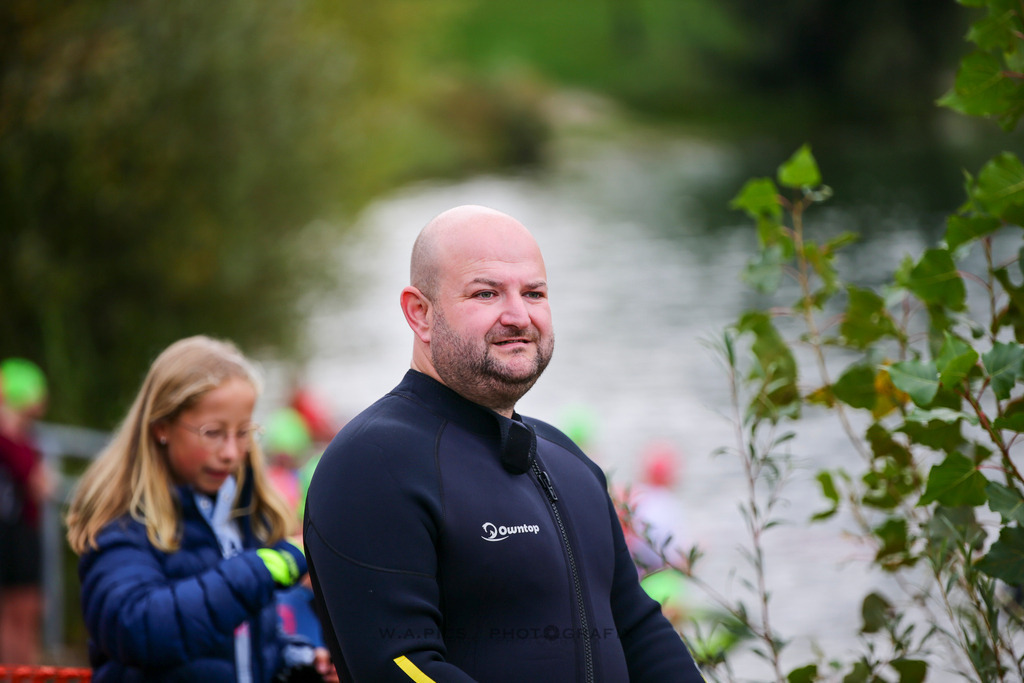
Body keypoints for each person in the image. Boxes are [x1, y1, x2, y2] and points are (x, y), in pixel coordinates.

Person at [304, 205, 705, 682]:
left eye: (534, 293)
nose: (518, 315)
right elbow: (400, 663)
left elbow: (638, 631)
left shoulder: (567, 462)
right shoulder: (374, 462)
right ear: (420, 313)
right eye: (486, 292)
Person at [65, 335, 336, 682]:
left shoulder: (241, 515)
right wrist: (263, 568)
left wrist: (294, 662)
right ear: (161, 427)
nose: (231, 452)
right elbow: (137, 629)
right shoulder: (123, 521)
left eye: (243, 433)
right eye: (213, 432)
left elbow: (236, 642)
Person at [0, 357, 54, 665]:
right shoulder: (9, 440)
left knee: (27, 610)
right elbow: (38, 484)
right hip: (11, 533)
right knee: (14, 613)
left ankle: (25, 672)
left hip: (24, 532)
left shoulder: (25, 439)